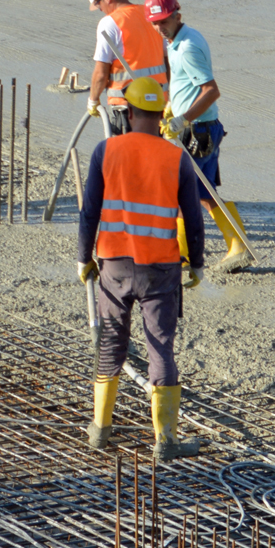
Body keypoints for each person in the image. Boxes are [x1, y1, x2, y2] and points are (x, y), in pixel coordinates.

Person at [77, 77, 207, 462]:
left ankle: (100, 429)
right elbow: (193, 218)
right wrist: (197, 263)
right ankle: (165, 440)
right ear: (160, 113)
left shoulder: (105, 150)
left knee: (111, 343)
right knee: (160, 348)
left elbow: (89, 212)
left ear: (129, 113)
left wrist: (83, 258)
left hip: (114, 267)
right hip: (160, 270)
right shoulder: (177, 158)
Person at [145, 0, 253, 272]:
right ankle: (237, 245)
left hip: (197, 132)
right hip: (202, 128)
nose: (159, 27)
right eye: (155, 23)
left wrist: (182, 119)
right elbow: (185, 84)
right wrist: (173, 106)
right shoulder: (178, 41)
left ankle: (181, 255)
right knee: (205, 193)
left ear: (177, 15)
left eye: (164, 21)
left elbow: (211, 91)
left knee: (181, 193)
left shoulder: (188, 47)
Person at [83, 0, 168, 137]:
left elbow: (101, 73)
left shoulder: (109, 23)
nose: (100, 9)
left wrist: (93, 100)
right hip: (158, 106)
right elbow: (168, 61)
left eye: (98, 4)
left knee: (129, 153)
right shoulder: (149, 15)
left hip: (129, 109)